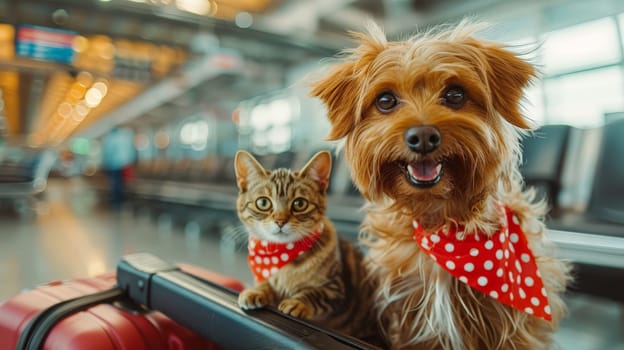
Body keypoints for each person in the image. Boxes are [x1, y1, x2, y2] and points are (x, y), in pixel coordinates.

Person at [101, 126, 135, 208]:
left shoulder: (109, 139)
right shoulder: (124, 137)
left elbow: (108, 153)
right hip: (124, 164)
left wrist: (106, 163)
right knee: (120, 182)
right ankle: (120, 198)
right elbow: (130, 151)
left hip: (113, 164)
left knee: (115, 182)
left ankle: (116, 199)